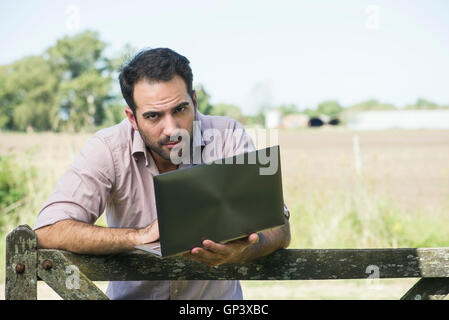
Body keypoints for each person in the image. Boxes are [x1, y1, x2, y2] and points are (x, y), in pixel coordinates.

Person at [34, 48, 291, 300]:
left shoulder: (229, 136)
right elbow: (48, 230)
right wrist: (140, 236)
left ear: (195, 101)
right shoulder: (107, 147)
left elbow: (279, 227)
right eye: (153, 116)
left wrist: (241, 252)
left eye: (180, 109)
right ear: (132, 118)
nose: (172, 129)